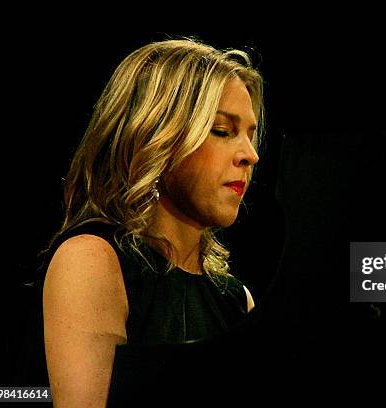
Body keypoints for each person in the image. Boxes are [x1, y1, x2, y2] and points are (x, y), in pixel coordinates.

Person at [37, 37, 264, 407]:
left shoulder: (237, 301)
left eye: (251, 136)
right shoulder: (91, 261)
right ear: (156, 136)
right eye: (222, 131)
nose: (250, 155)